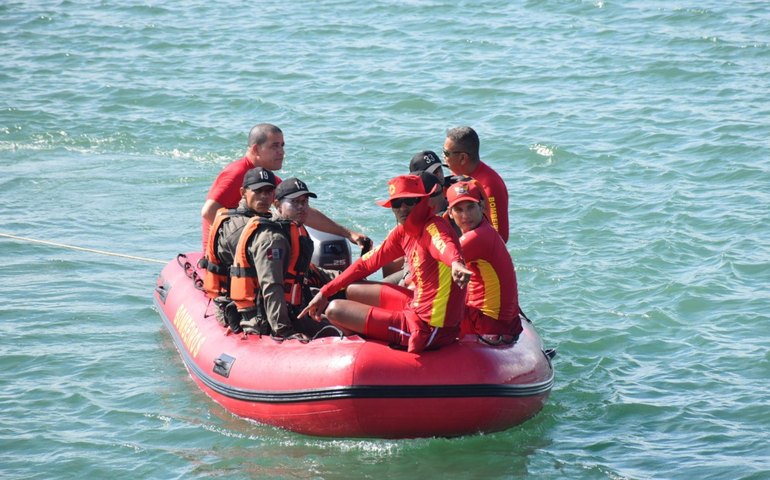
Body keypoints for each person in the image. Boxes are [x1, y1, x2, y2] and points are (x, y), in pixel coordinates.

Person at [300, 175, 473, 353]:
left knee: (335, 310)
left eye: (409, 201)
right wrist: (325, 292)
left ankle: (364, 343)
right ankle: (365, 328)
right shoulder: (402, 233)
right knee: (352, 289)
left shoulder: (434, 228)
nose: (403, 209)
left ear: (422, 201)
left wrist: (456, 263)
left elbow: (443, 245)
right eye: (397, 204)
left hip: (430, 327)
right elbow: (365, 265)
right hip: (415, 305)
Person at [201, 123, 370, 251]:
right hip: (228, 252)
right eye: (274, 146)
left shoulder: (269, 179)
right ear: (255, 149)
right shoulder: (237, 173)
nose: (281, 152)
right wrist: (249, 236)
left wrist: (348, 234)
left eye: (282, 145)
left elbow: (305, 212)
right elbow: (208, 212)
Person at [229, 177, 335, 340]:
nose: (302, 207)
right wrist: (285, 331)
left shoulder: (293, 230)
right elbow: (272, 287)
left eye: (305, 202)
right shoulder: (273, 240)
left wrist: (346, 277)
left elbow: (306, 271)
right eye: (295, 202)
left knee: (343, 311)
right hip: (267, 319)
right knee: (342, 330)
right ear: (277, 205)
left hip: (295, 307)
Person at [201, 167, 277, 332]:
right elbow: (271, 275)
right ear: (243, 192)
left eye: (269, 191)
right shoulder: (239, 228)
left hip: (256, 303)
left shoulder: (265, 221)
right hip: (243, 312)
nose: (264, 196)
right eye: (258, 191)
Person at [446, 180, 522, 344]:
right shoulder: (486, 228)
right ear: (450, 213)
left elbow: (429, 270)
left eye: (471, 207)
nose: (466, 215)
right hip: (504, 323)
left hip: (487, 325)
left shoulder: (477, 238)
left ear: (481, 206)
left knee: (409, 298)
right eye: (459, 209)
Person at [442, 126, 510, 243]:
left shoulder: (490, 185)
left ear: (463, 158)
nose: (443, 156)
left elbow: (500, 236)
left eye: (446, 153)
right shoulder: (457, 171)